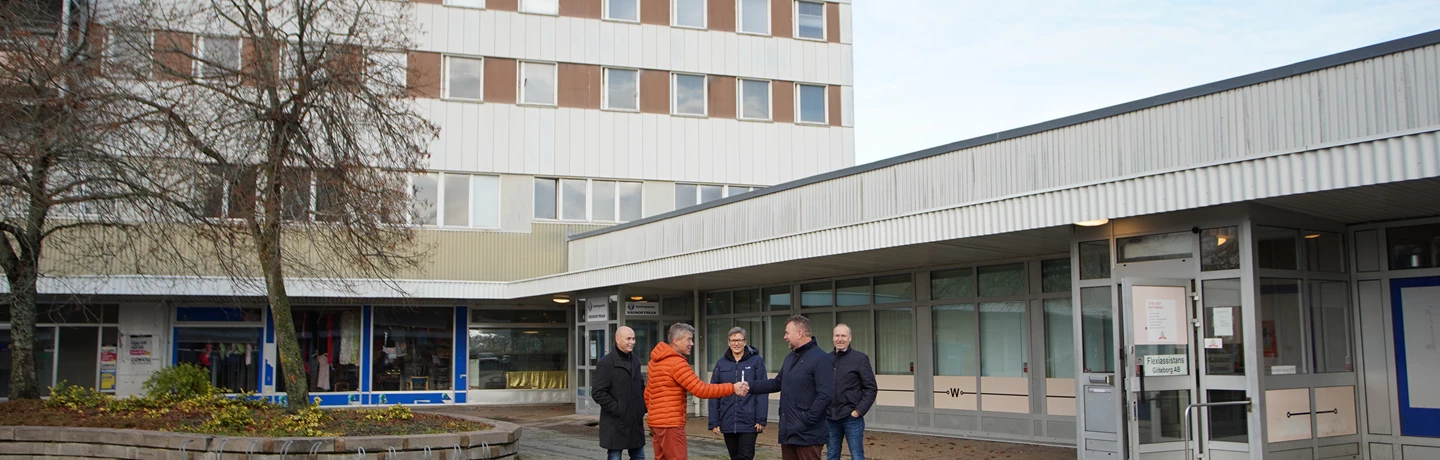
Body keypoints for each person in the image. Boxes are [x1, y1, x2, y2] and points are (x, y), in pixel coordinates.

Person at [645, 322, 749, 460]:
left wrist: (653, 416)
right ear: (676, 341)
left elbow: (648, 393)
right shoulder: (676, 363)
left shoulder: (655, 362)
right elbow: (700, 390)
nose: (692, 343)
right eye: (689, 339)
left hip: (656, 423)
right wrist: (732, 387)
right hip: (670, 424)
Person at [748, 315, 834, 460]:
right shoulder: (790, 358)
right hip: (789, 433)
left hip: (808, 435)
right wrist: (749, 386)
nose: (784, 337)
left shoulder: (821, 359)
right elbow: (777, 383)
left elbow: (825, 395)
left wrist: (807, 419)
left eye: (787, 333)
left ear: (799, 333)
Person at [708, 327, 769, 460]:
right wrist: (714, 421)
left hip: (749, 421)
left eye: (740, 340)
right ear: (728, 342)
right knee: (734, 456)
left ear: (745, 342)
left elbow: (763, 391)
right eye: (733, 340)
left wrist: (761, 418)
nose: (737, 343)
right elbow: (714, 392)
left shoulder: (756, 361)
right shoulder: (721, 364)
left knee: (746, 456)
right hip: (728, 420)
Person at [592, 326, 646, 460]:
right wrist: (618, 409)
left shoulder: (635, 362)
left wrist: (642, 407)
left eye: (634, 339)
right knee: (615, 456)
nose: (632, 342)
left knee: (640, 456)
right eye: (628, 338)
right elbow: (598, 392)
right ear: (617, 339)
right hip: (615, 424)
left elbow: (641, 386)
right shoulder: (606, 363)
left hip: (635, 422)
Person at [827, 323, 877, 460]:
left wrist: (858, 411)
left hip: (851, 417)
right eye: (837, 335)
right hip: (830, 417)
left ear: (850, 338)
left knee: (857, 455)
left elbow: (871, 388)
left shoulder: (860, 359)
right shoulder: (826, 359)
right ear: (833, 338)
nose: (840, 339)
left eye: (843, 336)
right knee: (831, 455)